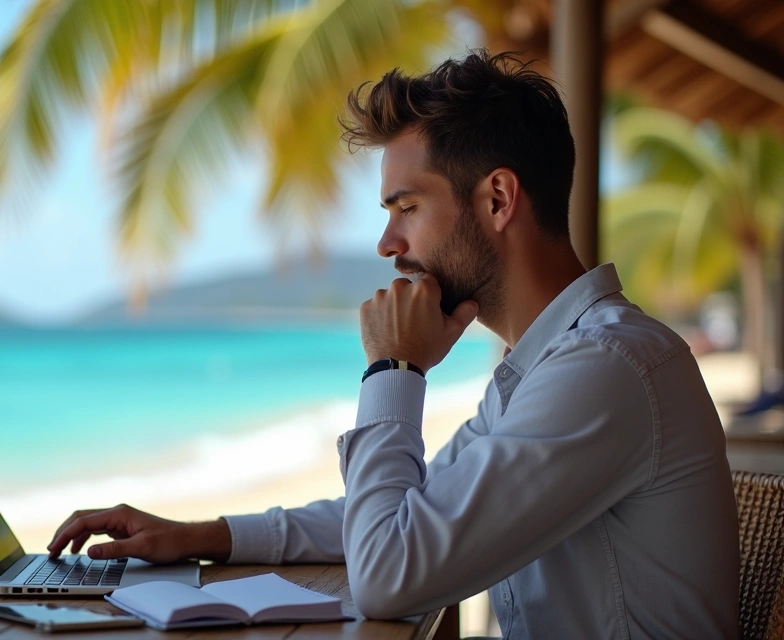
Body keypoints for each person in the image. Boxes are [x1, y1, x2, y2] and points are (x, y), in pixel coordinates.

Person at [46, 50, 740, 639]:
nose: (387, 246)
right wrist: (201, 535)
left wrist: (394, 366)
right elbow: (417, 507)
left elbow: (388, 574)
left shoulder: (605, 370)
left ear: (497, 200)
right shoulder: (555, 365)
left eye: (406, 207)